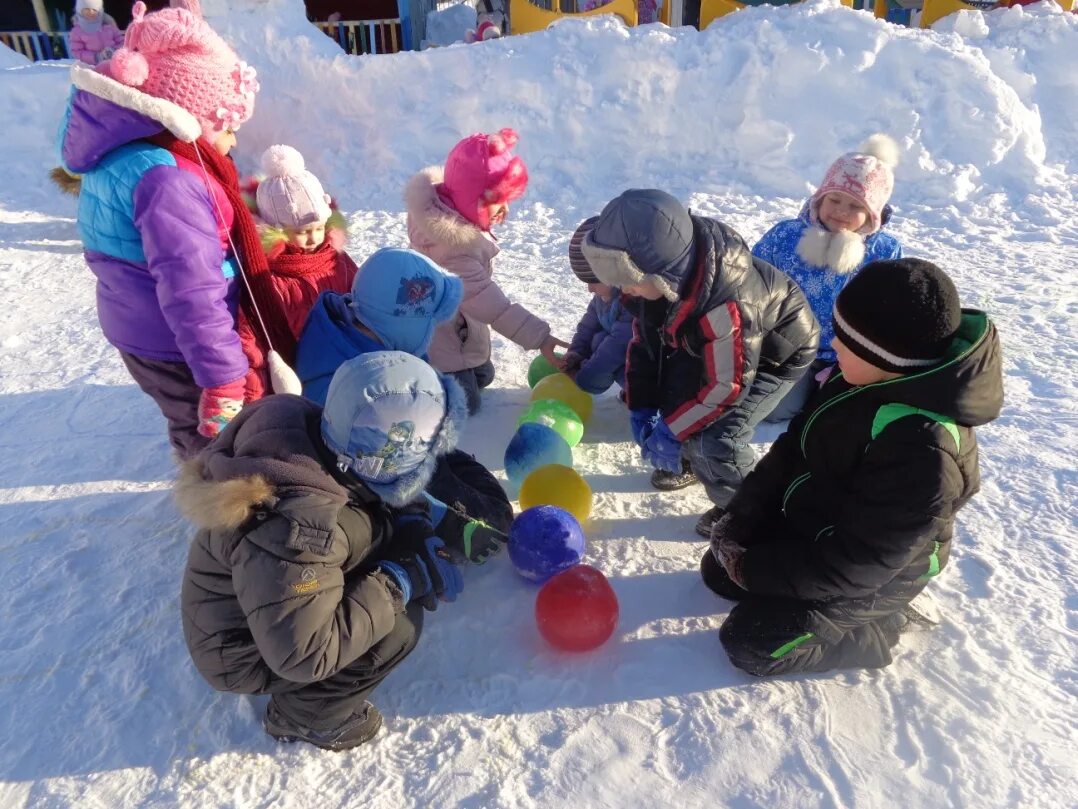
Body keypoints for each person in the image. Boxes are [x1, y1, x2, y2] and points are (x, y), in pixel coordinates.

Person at [703, 259, 1004, 675]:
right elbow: (794, 449)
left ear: (885, 356)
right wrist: (743, 513)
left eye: (846, 339)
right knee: (718, 571)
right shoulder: (855, 380)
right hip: (825, 522)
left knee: (753, 643)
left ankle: (879, 627)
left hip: (878, 573)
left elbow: (860, 563)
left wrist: (754, 569)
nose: (834, 344)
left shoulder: (924, 452)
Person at [178, 351, 468, 751]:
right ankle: (307, 718)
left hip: (276, 595)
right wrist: (397, 581)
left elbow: (381, 487)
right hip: (244, 648)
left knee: (375, 538)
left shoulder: (323, 441)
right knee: (396, 629)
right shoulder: (299, 529)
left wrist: (411, 524)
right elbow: (304, 654)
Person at [57, 0, 288, 458]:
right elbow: (192, 289)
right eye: (226, 124)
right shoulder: (170, 181)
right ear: (185, 119)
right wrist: (223, 377)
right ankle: (223, 507)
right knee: (213, 435)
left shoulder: (137, 154)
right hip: (175, 343)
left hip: (143, 327)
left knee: (189, 418)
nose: (234, 139)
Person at [581, 189, 819, 537]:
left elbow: (726, 388)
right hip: (717, 348)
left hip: (773, 355)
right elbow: (647, 346)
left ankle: (748, 508)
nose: (624, 292)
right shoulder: (659, 285)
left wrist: (673, 431)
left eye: (629, 283)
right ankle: (690, 462)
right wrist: (643, 405)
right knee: (679, 397)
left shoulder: (728, 306)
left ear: (661, 273)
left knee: (717, 439)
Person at [296, 248, 513, 562]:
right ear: (401, 321)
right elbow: (369, 472)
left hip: (403, 441)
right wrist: (439, 515)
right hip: (367, 476)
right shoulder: (338, 384)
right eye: (427, 320)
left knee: (475, 485)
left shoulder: (371, 329)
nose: (432, 330)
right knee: (485, 518)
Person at [404, 128, 569, 413]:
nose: (504, 209)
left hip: (462, 325)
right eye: (496, 202)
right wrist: (539, 337)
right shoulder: (451, 251)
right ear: (469, 198)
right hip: (440, 341)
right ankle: (421, 381)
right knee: (467, 405)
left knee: (484, 375)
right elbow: (493, 305)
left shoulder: (452, 213)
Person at [753, 134, 903, 422]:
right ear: (819, 198)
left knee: (841, 415)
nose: (841, 212)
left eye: (856, 207)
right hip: (787, 349)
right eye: (834, 199)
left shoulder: (884, 251)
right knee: (775, 410)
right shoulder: (786, 236)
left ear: (873, 215)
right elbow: (753, 282)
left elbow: (889, 311)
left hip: (848, 358)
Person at [239, 144, 359, 402]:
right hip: (296, 375)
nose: (314, 237)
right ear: (276, 229)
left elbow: (362, 298)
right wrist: (254, 395)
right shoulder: (267, 278)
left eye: (319, 227)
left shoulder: (337, 260)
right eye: (303, 231)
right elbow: (250, 341)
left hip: (344, 363)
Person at [561, 216, 634, 397]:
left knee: (605, 344)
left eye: (594, 280)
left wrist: (585, 378)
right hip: (631, 357)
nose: (589, 289)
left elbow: (617, 346)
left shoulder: (634, 303)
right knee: (597, 338)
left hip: (659, 366)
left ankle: (648, 400)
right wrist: (576, 353)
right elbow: (587, 327)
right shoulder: (602, 299)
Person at [68, 0, 125, 66]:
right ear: (80, 10)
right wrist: (96, 57)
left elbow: (122, 42)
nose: (91, 12)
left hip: (113, 63)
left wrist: (114, 51)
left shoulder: (109, 26)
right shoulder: (77, 31)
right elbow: (77, 51)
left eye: (94, 9)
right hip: (91, 67)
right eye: (87, 9)